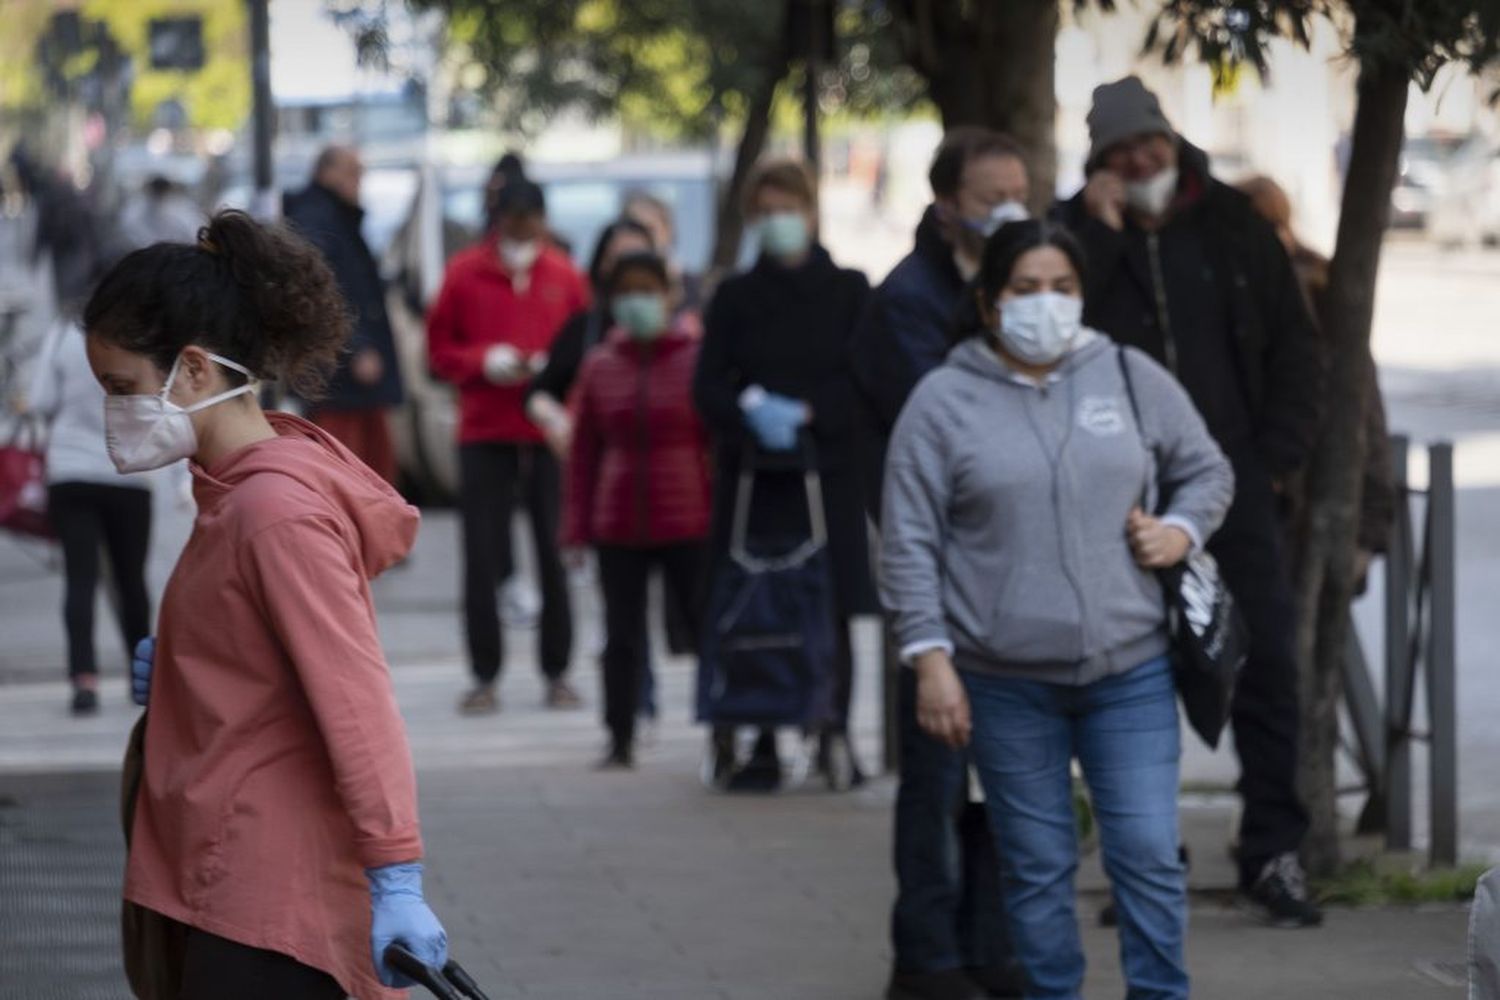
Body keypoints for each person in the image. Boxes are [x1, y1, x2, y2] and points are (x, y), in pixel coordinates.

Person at [83, 210, 447, 999]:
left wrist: (398, 874)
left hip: (262, 901)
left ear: (193, 370)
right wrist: (188, 662)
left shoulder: (272, 513)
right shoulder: (234, 497)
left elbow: (357, 704)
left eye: (122, 388)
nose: (113, 412)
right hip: (226, 883)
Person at [881, 220, 1234, 1000]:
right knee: (1037, 869)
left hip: (1131, 670)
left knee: (1145, 849)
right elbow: (907, 542)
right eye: (1026, 289)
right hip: (1002, 682)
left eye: (1062, 289)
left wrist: (1177, 532)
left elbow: (1206, 469)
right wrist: (931, 660)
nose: (1047, 304)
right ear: (988, 302)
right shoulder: (942, 401)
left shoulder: (1128, 375)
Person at [1054, 75, 1326, 926]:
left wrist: (1274, 463)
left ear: (1172, 142)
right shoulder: (1070, 239)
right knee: (1134, 676)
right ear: (1098, 163)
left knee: (1266, 663)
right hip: (1115, 498)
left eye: (1149, 144)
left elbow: (1295, 348)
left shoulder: (1234, 226)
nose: (1139, 161)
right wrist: (1095, 240)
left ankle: (1274, 851)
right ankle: (1146, 858)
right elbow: (1052, 340)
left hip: (1232, 490)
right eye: (1118, 152)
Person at [852, 127, 1030, 1000]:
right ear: (947, 202)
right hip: (934, 568)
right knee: (933, 772)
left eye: (1018, 192)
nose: (1007, 209)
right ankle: (924, 957)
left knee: (1004, 771)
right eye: (991, 193)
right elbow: (942, 431)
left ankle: (990, 945)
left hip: (1007, 570)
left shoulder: (1022, 291)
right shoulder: (907, 301)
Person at [693, 156, 874, 791]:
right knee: (756, 602)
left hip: (826, 472)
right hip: (756, 480)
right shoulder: (737, 297)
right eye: (765, 213)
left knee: (831, 604)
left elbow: (866, 378)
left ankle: (834, 728)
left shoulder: (850, 290)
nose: (777, 224)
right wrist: (750, 409)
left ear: (811, 212)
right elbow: (709, 383)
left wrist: (810, 412)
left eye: (787, 210)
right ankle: (760, 732)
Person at [428, 179, 589, 714]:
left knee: (555, 552)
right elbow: (438, 352)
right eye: (513, 221)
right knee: (481, 555)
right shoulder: (463, 274)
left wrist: (554, 373)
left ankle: (558, 669)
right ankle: (484, 672)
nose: (521, 232)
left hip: (548, 435)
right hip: (484, 430)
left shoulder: (564, 278)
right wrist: (483, 362)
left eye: (530, 222)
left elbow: (588, 352)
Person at [561, 251, 711, 769]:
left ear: (669, 296)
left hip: (688, 518)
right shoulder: (601, 364)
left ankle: (723, 726)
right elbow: (583, 454)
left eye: (647, 290)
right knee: (621, 635)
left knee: (704, 625)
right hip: (618, 519)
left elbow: (713, 445)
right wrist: (575, 528)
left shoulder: (695, 359)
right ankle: (620, 734)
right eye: (626, 293)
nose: (637, 302)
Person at [1236, 175, 1394, 583]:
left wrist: (1367, 535)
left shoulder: (1320, 294)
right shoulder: (1227, 297)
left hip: (1307, 527)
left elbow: (1365, 419)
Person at [26, 319, 153, 716]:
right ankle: (143, 678)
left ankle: (84, 680)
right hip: (129, 470)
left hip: (70, 470)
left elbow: (40, 401)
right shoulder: (140, 335)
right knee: (130, 580)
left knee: (80, 578)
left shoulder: (63, 336)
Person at [283, 146, 406, 485]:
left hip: (343, 373)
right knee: (348, 472)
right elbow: (320, 292)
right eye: (353, 173)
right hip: (340, 375)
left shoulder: (334, 217)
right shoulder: (318, 221)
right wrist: (358, 346)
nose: (359, 182)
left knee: (365, 471)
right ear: (328, 173)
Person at [525, 218, 657, 457]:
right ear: (603, 265)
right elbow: (540, 392)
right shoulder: (583, 328)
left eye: (639, 259)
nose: (630, 271)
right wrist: (558, 423)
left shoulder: (680, 335)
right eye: (619, 259)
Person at [623, 189, 705, 312]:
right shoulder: (611, 283)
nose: (642, 237)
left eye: (650, 229)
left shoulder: (689, 285)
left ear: (668, 231)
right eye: (634, 229)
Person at [117, 174, 203, 250]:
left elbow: (192, 233)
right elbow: (130, 229)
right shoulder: (137, 207)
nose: (160, 192)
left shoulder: (181, 208)